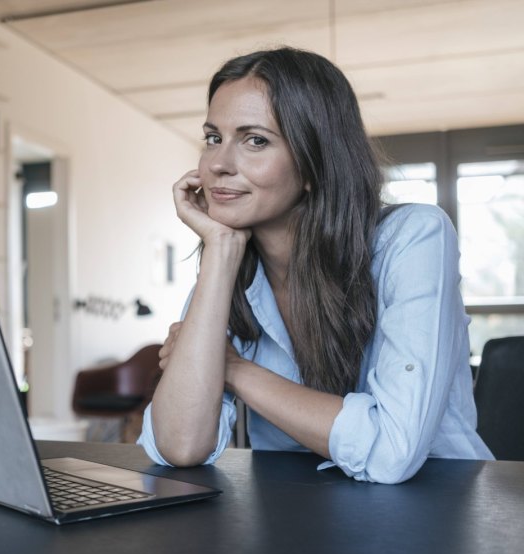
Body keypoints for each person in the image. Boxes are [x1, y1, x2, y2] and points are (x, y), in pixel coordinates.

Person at [136, 46, 493, 484]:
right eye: (214, 138)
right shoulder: (226, 270)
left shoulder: (413, 236)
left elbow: (391, 452)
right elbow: (181, 446)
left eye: (255, 140)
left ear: (313, 165)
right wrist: (220, 249)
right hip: (294, 519)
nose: (217, 165)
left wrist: (233, 369)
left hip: (441, 510)